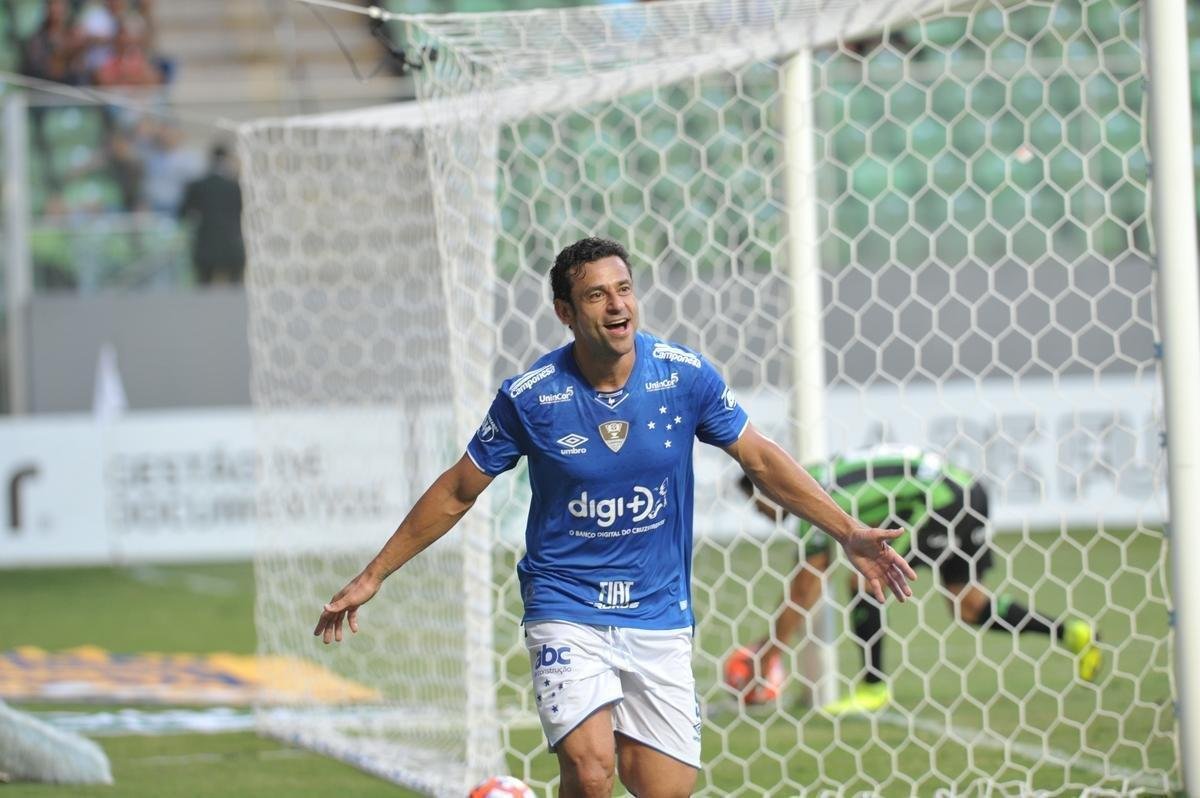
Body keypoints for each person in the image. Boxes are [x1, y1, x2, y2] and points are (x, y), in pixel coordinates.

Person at [313, 237, 917, 798]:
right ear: (565, 312)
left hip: (658, 610)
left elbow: (759, 457)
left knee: (663, 788)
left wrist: (848, 532)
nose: (617, 305)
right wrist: (374, 574)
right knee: (590, 767)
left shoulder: (685, 376)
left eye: (623, 289)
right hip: (566, 604)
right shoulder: (532, 396)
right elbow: (457, 490)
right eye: (596, 295)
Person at [725, 444, 1103, 715]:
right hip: (964, 490)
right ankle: (1073, 634)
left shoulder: (813, 498)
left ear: (769, 491)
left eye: (757, 503)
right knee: (969, 605)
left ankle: (873, 688)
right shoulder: (818, 476)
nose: (760, 513)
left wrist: (767, 656)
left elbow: (804, 588)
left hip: (942, 500)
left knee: (864, 580)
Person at [178, 143, 244, 284]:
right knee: (235, 292)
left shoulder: (198, 186)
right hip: (231, 244)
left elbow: (183, 212)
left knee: (204, 292)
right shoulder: (235, 187)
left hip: (205, 245)